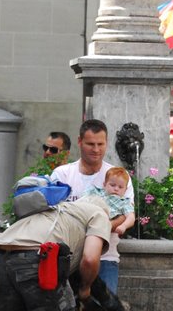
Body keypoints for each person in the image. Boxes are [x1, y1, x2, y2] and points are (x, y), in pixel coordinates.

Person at [0, 194, 112, 311]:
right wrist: (85, 289)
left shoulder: (59, 208)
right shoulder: (99, 213)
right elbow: (90, 258)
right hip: (38, 258)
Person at [51, 120, 133, 292]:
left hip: (105, 257)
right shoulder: (62, 174)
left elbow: (125, 215)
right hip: (65, 256)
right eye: (90, 144)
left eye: (100, 144)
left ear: (107, 143)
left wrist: (98, 230)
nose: (96, 150)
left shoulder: (119, 177)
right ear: (80, 141)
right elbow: (53, 214)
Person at [85, 167, 135, 293]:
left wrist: (123, 226)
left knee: (108, 296)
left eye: (120, 187)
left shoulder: (124, 202)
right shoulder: (97, 193)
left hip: (107, 257)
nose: (116, 189)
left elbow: (131, 217)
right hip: (85, 253)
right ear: (104, 184)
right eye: (112, 185)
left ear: (125, 190)